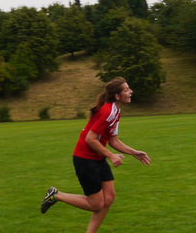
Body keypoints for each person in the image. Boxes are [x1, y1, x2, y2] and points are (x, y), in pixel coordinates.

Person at [39, 78, 151, 233]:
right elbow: (90, 139)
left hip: (97, 158)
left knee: (109, 198)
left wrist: (134, 153)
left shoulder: (116, 111)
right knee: (96, 204)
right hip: (85, 159)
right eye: (126, 89)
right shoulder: (108, 111)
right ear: (117, 96)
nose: (131, 91)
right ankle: (56, 195)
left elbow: (113, 140)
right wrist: (111, 156)